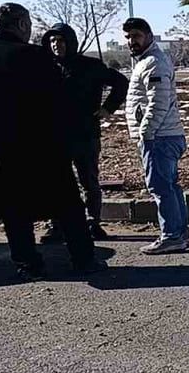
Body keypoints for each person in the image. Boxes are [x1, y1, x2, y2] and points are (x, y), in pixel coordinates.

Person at [0, 3, 101, 280]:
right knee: (68, 206)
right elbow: (56, 101)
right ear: (21, 25)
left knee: (14, 210)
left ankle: (28, 264)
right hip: (41, 147)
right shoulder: (32, 57)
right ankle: (84, 260)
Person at [38, 23, 128, 243]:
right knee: (55, 181)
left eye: (60, 41)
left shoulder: (91, 66)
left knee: (89, 181)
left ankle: (92, 222)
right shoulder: (44, 69)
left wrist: (108, 108)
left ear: (70, 42)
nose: (56, 45)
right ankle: (57, 225)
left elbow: (120, 83)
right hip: (55, 136)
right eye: (52, 41)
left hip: (85, 133)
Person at [122, 17, 189, 254]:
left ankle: (172, 236)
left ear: (149, 35)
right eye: (129, 37)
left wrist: (146, 132)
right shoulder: (147, 62)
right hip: (164, 135)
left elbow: (157, 102)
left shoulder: (153, 63)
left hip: (160, 137)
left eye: (137, 36)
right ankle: (180, 233)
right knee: (170, 186)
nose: (132, 41)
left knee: (161, 187)